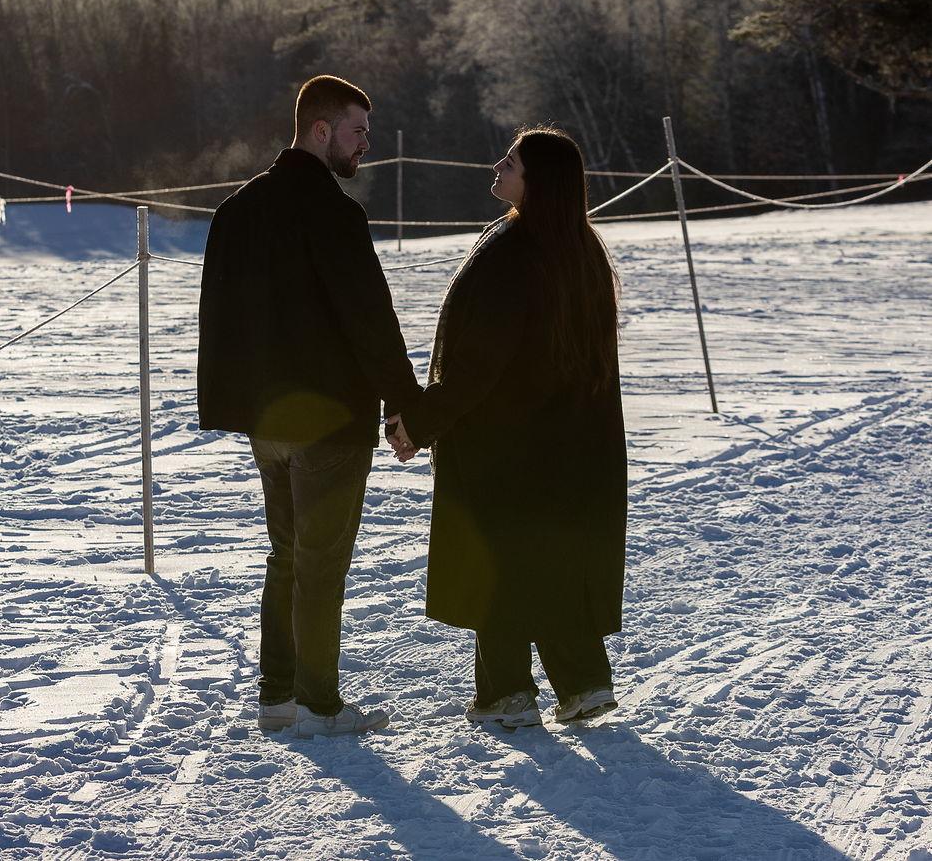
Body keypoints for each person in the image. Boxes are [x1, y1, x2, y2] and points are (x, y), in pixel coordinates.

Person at [198, 74, 422, 739]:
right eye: (357, 131)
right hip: (328, 423)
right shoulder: (334, 212)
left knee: (288, 556)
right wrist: (405, 404)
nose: (365, 144)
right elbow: (370, 319)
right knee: (319, 565)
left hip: (266, 422)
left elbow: (220, 320)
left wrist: (236, 404)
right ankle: (320, 706)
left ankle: (277, 697)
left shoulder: (237, 209)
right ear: (320, 130)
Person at [387, 126, 627, 729]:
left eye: (512, 162)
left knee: (501, 559)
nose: (498, 165)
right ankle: (580, 683)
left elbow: (478, 365)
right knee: (547, 557)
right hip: (570, 445)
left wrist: (421, 422)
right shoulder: (581, 250)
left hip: (505, 441)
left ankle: (508, 694)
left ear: (537, 181)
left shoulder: (515, 251)